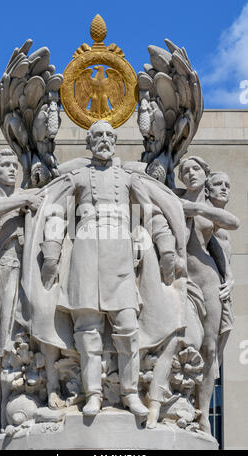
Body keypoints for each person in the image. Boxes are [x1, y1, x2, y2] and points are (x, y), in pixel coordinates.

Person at [39, 120, 185, 417]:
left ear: (115, 141)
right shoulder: (77, 176)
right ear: (89, 143)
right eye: (97, 136)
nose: (104, 140)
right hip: (85, 252)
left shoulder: (129, 177)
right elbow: (54, 210)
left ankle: (131, 394)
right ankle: (92, 394)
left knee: (128, 327)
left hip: (120, 251)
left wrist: (167, 247)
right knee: (87, 328)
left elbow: (151, 212)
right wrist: (52, 251)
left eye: (109, 135)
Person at [0, 149, 43, 433]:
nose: (12, 169)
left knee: (14, 342)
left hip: (22, 273)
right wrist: (25, 198)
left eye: (15, 165)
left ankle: (16, 406)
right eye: (5, 165)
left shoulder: (28, 198)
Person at [177, 156, 239, 433]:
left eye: (196, 169)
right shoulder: (172, 196)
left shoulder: (206, 209)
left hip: (207, 281)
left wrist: (230, 277)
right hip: (179, 282)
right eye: (185, 170)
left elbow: (232, 224)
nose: (190, 174)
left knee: (210, 349)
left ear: (205, 174)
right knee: (179, 343)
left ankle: (202, 415)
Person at [206, 171, 236, 366]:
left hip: (222, 287)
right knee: (210, 349)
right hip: (210, 285)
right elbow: (212, 246)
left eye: (227, 184)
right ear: (207, 190)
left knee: (217, 349)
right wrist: (229, 276)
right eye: (218, 184)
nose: (224, 187)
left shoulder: (223, 222)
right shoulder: (206, 216)